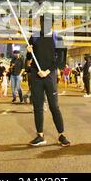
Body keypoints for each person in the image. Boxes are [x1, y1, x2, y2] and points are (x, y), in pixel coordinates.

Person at [26, 15, 70, 147]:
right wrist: (28, 51)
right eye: (42, 22)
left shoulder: (59, 38)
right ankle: (40, 135)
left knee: (54, 106)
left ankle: (61, 135)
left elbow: (61, 61)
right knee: (38, 107)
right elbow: (29, 58)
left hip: (50, 76)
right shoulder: (34, 37)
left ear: (51, 23)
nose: (44, 24)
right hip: (36, 75)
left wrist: (48, 71)